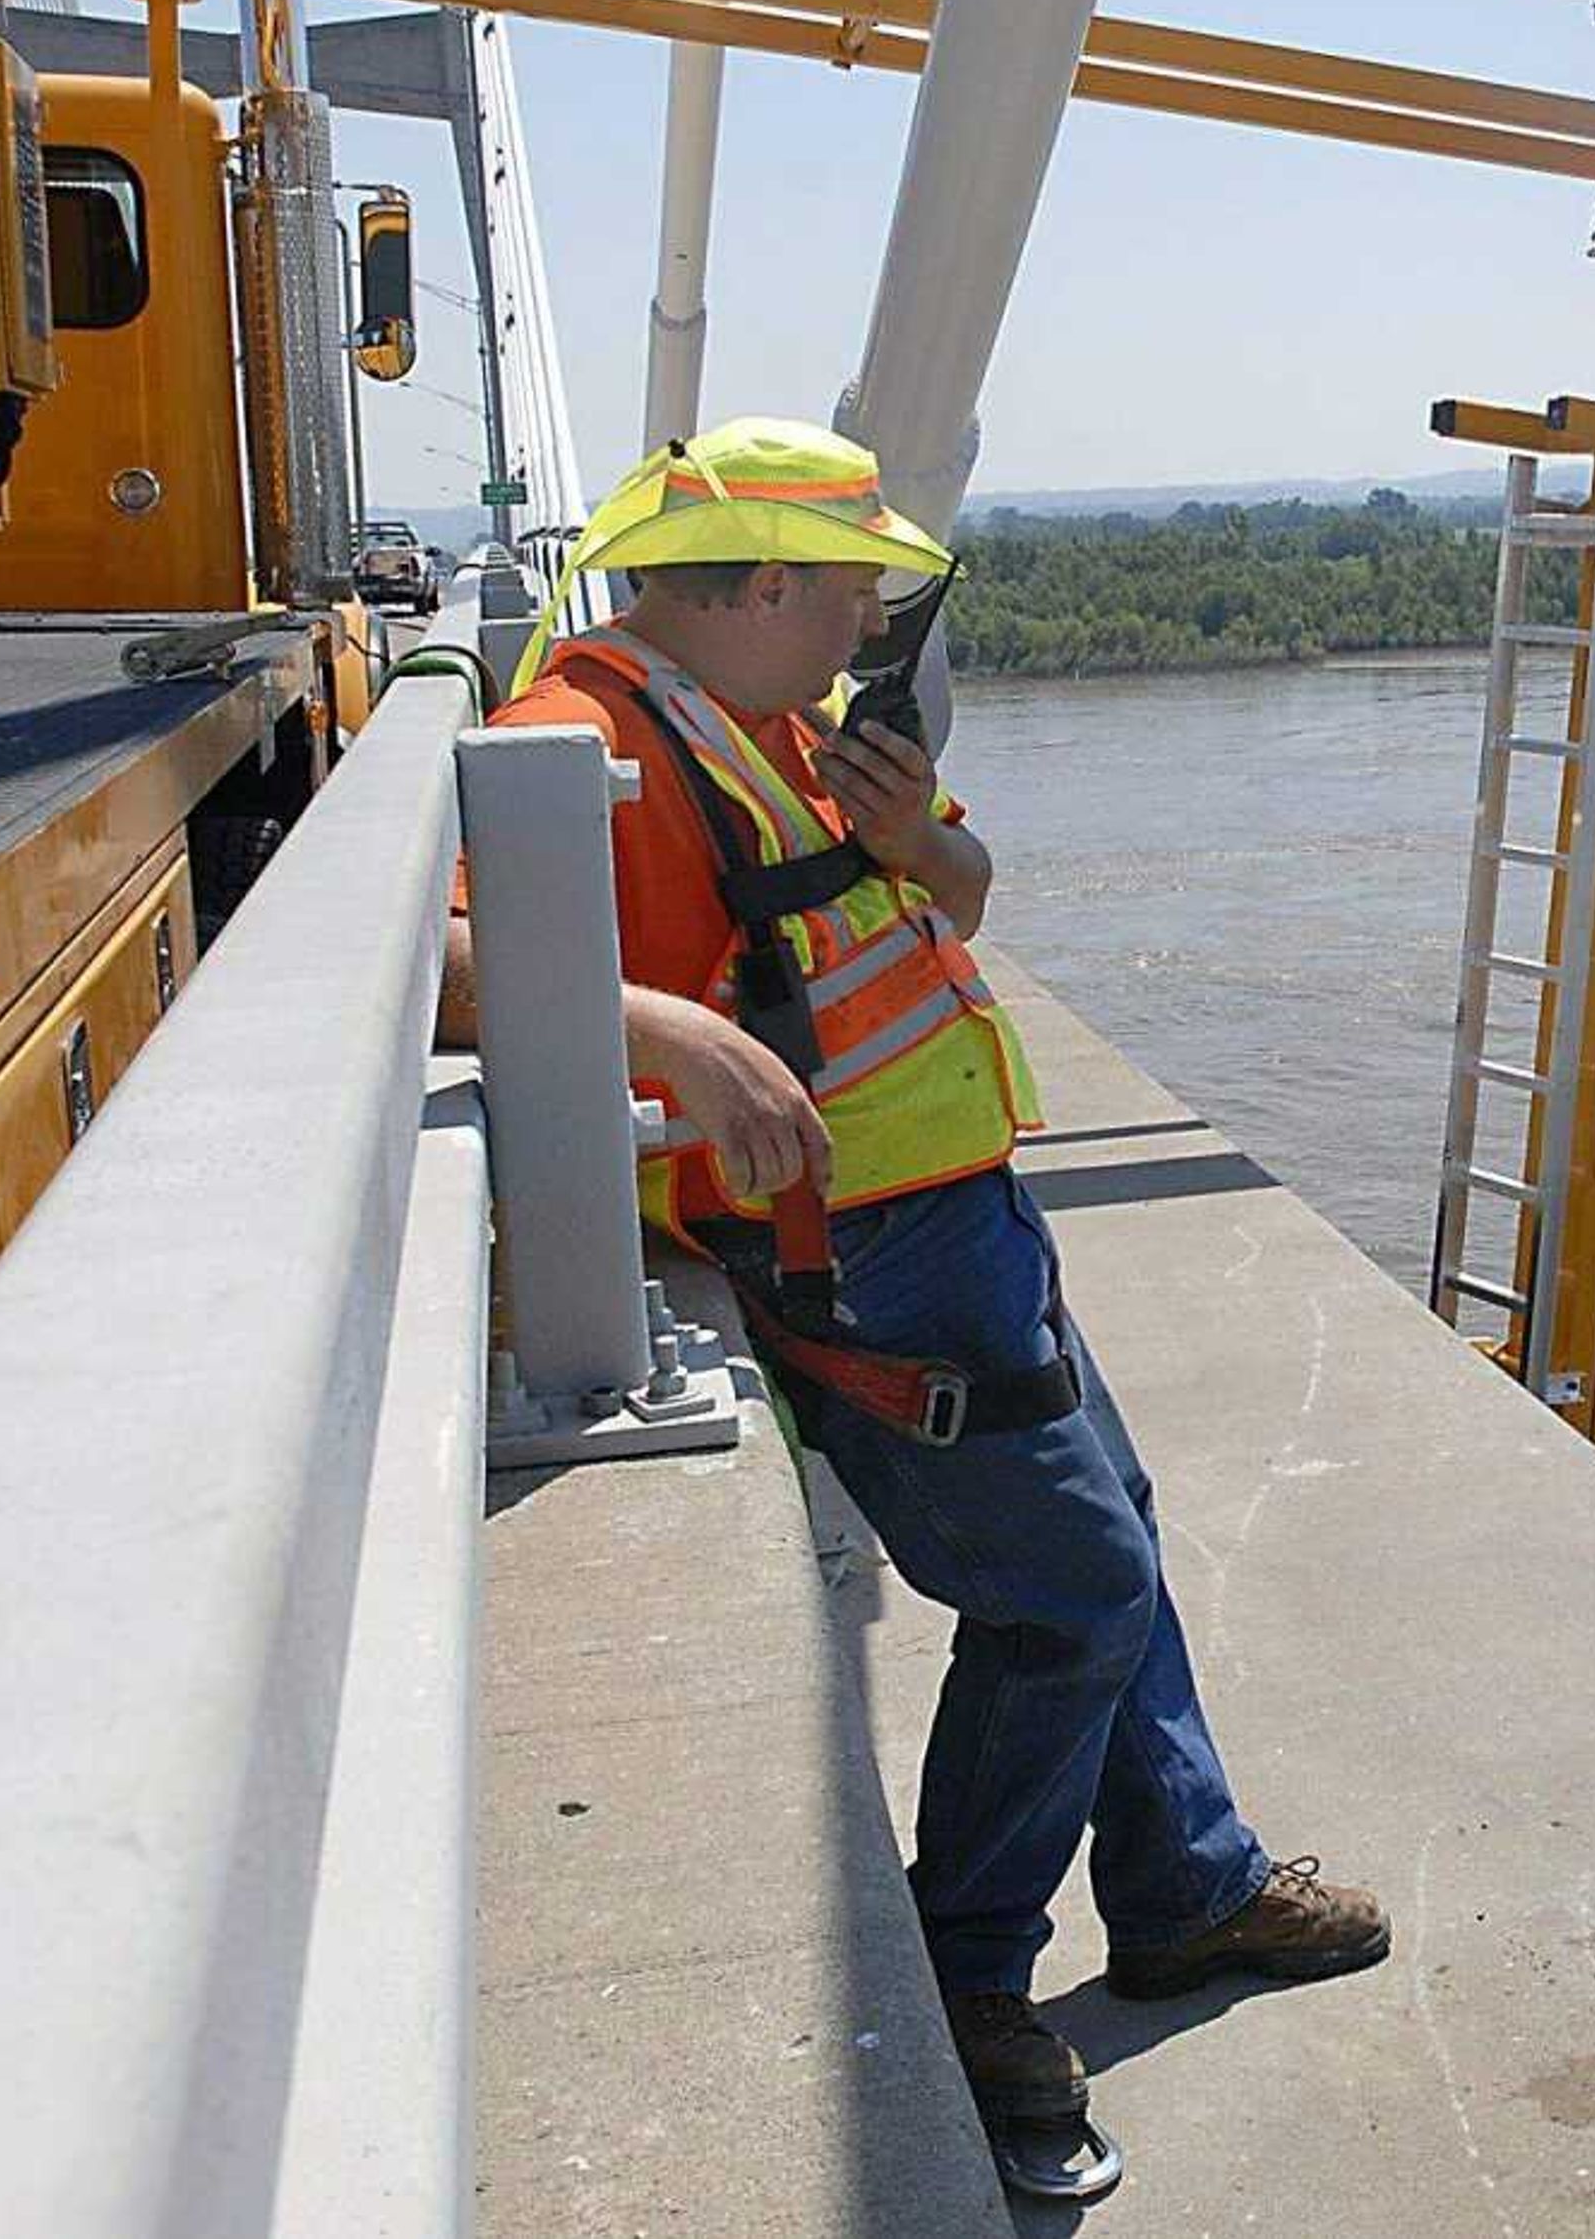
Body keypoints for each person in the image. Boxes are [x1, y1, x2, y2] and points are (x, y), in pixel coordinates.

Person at [438, 418, 1386, 2167]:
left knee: (1124, 1530)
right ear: (769, 578)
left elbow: (964, 886)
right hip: (850, 1259)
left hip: (961, 1220)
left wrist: (919, 843)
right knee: (1073, 1592)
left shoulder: (787, 731)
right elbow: (432, 956)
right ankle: (970, 1983)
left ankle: (1187, 1878)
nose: (876, 613)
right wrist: (669, 1026)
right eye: (854, 579)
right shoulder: (574, 736)